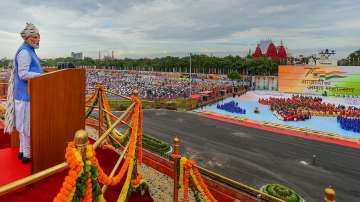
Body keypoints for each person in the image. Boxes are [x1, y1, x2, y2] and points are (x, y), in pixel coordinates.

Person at [14, 23, 43, 164]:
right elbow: (23, 74)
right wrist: (41, 76)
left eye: (39, 37)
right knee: (25, 126)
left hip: (26, 95)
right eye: (35, 37)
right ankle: (26, 154)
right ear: (27, 38)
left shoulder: (29, 49)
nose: (38, 40)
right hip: (25, 95)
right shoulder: (25, 52)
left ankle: (22, 151)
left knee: (23, 125)